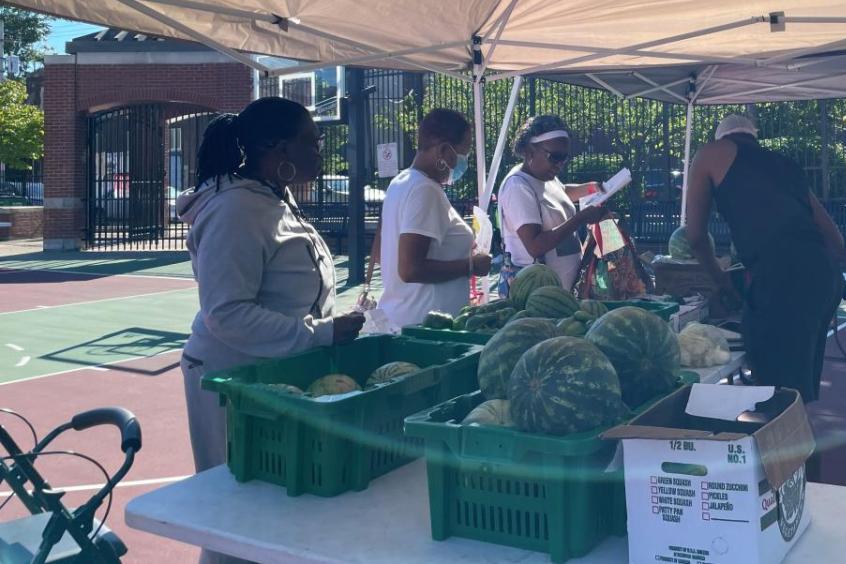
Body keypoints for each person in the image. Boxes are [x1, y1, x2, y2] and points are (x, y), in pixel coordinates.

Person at [177, 97, 364, 564]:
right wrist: (320, 334)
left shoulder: (273, 199)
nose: (321, 152)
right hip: (230, 381)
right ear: (276, 149)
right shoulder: (235, 209)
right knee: (236, 513)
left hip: (272, 375)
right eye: (312, 143)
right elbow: (227, 312)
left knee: (273, 503)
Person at [684, 112, 845, 405]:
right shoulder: (783, 164)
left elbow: (694, 235)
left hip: (784, 278)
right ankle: (798, 443)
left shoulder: (710, 153)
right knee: (795, 390)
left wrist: (721, 282)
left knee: (776, 394)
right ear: (753, 137)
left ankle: (793, 447)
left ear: (722, 137)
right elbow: (836, 241)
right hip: (824, 275)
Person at [377, 108, 493, 328]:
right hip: (424, 325)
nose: (464, 161)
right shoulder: (424, 189)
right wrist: (470, 266)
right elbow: (410, 269)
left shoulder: (402, 181)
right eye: (463, 152)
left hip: (408, 318)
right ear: (443, 150)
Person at [498, 115, 610, 290]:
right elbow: (535, 246)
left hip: (561, 291)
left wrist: (591, 188)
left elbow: (560, 193)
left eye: (564, 158)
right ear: (529, 152)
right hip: (539, 295)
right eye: (554, 157)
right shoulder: (518, 187)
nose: (560, 165)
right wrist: (580, 218)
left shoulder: (545, 177)